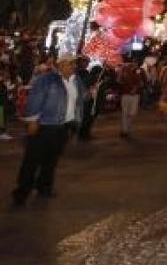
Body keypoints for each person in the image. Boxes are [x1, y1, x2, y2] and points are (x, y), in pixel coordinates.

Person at [12, 54, 84, 206]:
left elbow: (77, 100)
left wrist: (88, 95)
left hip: (63, 126)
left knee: (51, 160)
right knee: (32, 160)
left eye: (74, 63)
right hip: (45, 125)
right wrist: (32, 120)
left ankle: (44, 187)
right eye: (70, 63)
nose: (73, 66)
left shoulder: (76, 80)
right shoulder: (46, 79)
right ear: (61, 64)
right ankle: (22, 192)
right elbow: (35, 99)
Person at [78, 65, 105, 141]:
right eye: (99, 72)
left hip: (94, 103)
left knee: (90, 119)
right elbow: (84, 91)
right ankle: (83, 135)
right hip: (88, 103)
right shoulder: (89, 79)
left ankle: (86, 133)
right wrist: (91, 90)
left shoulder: (98, 79)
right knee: (86, 119)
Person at [118, 61, 144, 138]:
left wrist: (136, 88)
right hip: (125, 94)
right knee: (125, 113)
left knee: (132, 113)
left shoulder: (139, 71)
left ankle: (127, 128)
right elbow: (119, 81)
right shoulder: (123, 70)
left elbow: (142, 82)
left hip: (135, 95)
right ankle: (125, 130)